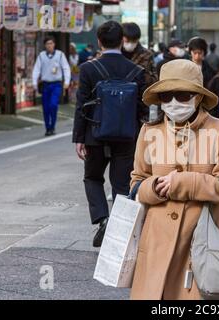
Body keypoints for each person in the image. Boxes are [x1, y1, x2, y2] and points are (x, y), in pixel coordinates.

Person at [129, 59, 219, 300]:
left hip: (202, 240)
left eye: (182, 95)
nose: (173, 103)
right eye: (166, 96)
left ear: (198, 97)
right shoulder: (150, 131)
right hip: (156, 241)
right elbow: (137, 182)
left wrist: (181, 182)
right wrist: (154, 187)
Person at [72, 21, 147, 248]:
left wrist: (79, 138)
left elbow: (81, 105)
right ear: (122, 40)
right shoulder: (137, 71)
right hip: (127, 136)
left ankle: (103, 219)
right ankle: (119, 229)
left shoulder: (88, 69)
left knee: (93, 177)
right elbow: (143, 109)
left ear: (99, 41)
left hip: (95, 134)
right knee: (122, 184)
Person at [32, 36, 71, 136]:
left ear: (54, 44)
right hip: (45, 84)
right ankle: (48, 127)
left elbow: (66, 68)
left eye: (51, 43)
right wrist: (34, 83)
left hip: (56, 84)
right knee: (45, 107)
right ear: (45, 45)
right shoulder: (41, 56)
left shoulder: (60, 55)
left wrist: (67, 81)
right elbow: (36, 69)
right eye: (47, 44)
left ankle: (52, 125)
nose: (49, 46)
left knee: (53, 105)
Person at [121, 22, 158, 87]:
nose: (130, 44)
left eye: (134, 41)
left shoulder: (147, 54)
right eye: (127, 41)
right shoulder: (115, 53)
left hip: (139, 94)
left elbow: (155, 79)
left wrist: (142, 76)